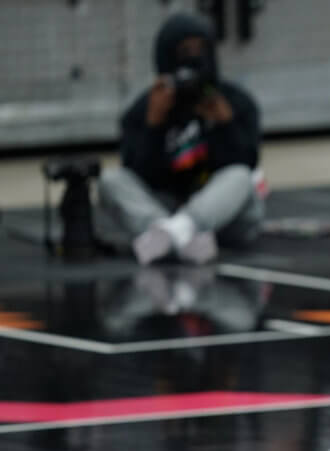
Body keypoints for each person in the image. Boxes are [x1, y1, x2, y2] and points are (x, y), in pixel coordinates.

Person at [98, 12, 263, 265]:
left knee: (240, 176)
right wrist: (153, 126)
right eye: (185, 50)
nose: (195, 58)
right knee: (110, 180)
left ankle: (176, 233)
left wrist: (226, 124)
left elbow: (248, 166)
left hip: (222, 217)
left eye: (201, 48)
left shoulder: (236, 101)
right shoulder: (143, 109)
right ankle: (176, 235)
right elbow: (136, 175)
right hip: (165, 206)